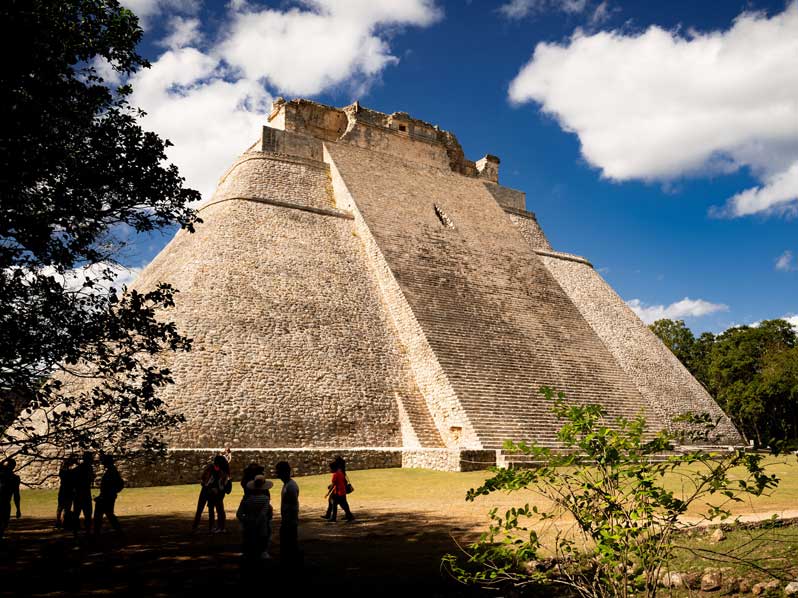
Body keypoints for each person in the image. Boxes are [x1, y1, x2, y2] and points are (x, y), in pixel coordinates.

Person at [236, 474, 273, 561]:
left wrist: (247, 520)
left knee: (249, 542)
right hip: (261, 526)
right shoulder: (265, 499)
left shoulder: (246, 499)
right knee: (263, 538)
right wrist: (257, 521)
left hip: (248, 525)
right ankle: (263, 552)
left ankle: (247, 554)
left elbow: (239, 514)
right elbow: (263, 514)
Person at [192, 455, 230, 534]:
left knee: (212, 509)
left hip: (216, 492)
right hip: (207, 490)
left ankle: (212, 527)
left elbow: (223, 482)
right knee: (201, 509)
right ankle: (196, 528)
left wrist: (218, 489)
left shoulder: (222, 471)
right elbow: (204, 480)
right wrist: (209, 486)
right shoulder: (210, 468)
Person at [275, 461, 300, 566]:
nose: (278, 475)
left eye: (279, 472)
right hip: (287, 520)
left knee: (290, 544)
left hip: (290, 521)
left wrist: (290, 521)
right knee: (286, 544)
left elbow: (294, 505)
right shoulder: (287, 485)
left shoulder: (291, 486)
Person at [93, 454, 124, 535]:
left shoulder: (111, 471)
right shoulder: (112, 470)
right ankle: (118, 531)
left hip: (106, 497)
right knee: (108, 514)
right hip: (107, 496)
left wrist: (108, 494)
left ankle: (97, 533)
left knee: (100, 515)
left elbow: (118, 484)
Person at [327, 456, 354, 522]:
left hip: (338, 492)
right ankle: (348, 516)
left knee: (337, 504)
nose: (330, 470)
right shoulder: (341, 472)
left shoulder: (335, 474)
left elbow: (334, 484)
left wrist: (328, 491)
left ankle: (334, 517)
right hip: (342, 491)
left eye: (330, 469)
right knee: (340, 504)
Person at [0, 458, 21, 540]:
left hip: (5, 504)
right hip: (4, 504)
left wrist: (18, 509)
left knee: (4, 523)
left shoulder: (14, 478)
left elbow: (16, 495)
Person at [74, 451, 95, 533]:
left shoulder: (79, 468)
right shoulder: (87, 468)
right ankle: (87, 532)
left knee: (78, 514)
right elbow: (89, 479)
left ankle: (77, 532)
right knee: (87, 514)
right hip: (84, 493)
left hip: (79, 493)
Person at [56, 455, 76, 529]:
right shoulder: (70, 472)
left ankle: (61, 522)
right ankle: (62, 522)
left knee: (62, 507)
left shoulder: (65, 472)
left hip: (65, 491)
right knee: (65, 507)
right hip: (67, 491)